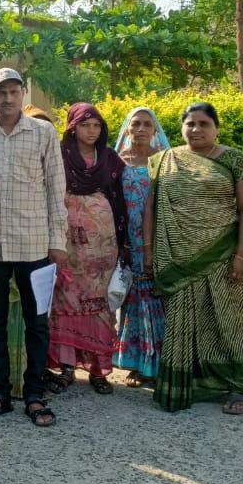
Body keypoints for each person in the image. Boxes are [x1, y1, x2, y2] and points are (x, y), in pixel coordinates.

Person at [0, 68, 66, 427]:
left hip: (35, 245)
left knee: (37, 324)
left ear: (22, 94)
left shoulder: (43, 132)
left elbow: (55, 190)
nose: (6, 98)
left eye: (13, 91)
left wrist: (57, 241)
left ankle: (35, 394)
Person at [148, 103, 243, 415]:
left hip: (224, 254)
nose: (196, 130)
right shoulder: (163, 161)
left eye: (204, 123)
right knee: (186, 322)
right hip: (179, 256)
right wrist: (149, 251)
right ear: (181, 127)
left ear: (216, 128)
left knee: (232, 320)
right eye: (190, 124)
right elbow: (152, 209)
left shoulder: (235, 159)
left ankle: (238, 387)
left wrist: (242, 254)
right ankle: (188, 383)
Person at [47, 104, 126, 396]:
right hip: (67, 242)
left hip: (102, 246)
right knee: (66, 299)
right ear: (72, 127)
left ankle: (98, 369)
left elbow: (121, 198)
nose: (91, 131)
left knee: (98, 303)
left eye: (96, 126)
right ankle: (67, 367)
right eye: (85, 125)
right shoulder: (59, 156)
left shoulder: (109, 158)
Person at [112, 107, 169, 388]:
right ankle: (136, 363)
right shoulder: (117, 163)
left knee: (155, 298)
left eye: (148, 124)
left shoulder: (164, 162)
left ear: (155, 131)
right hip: (126, 241)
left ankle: (157, 362)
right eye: (136, 124)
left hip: (157, 240)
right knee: (132, 298)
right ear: (126, 129)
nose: (142, 129)